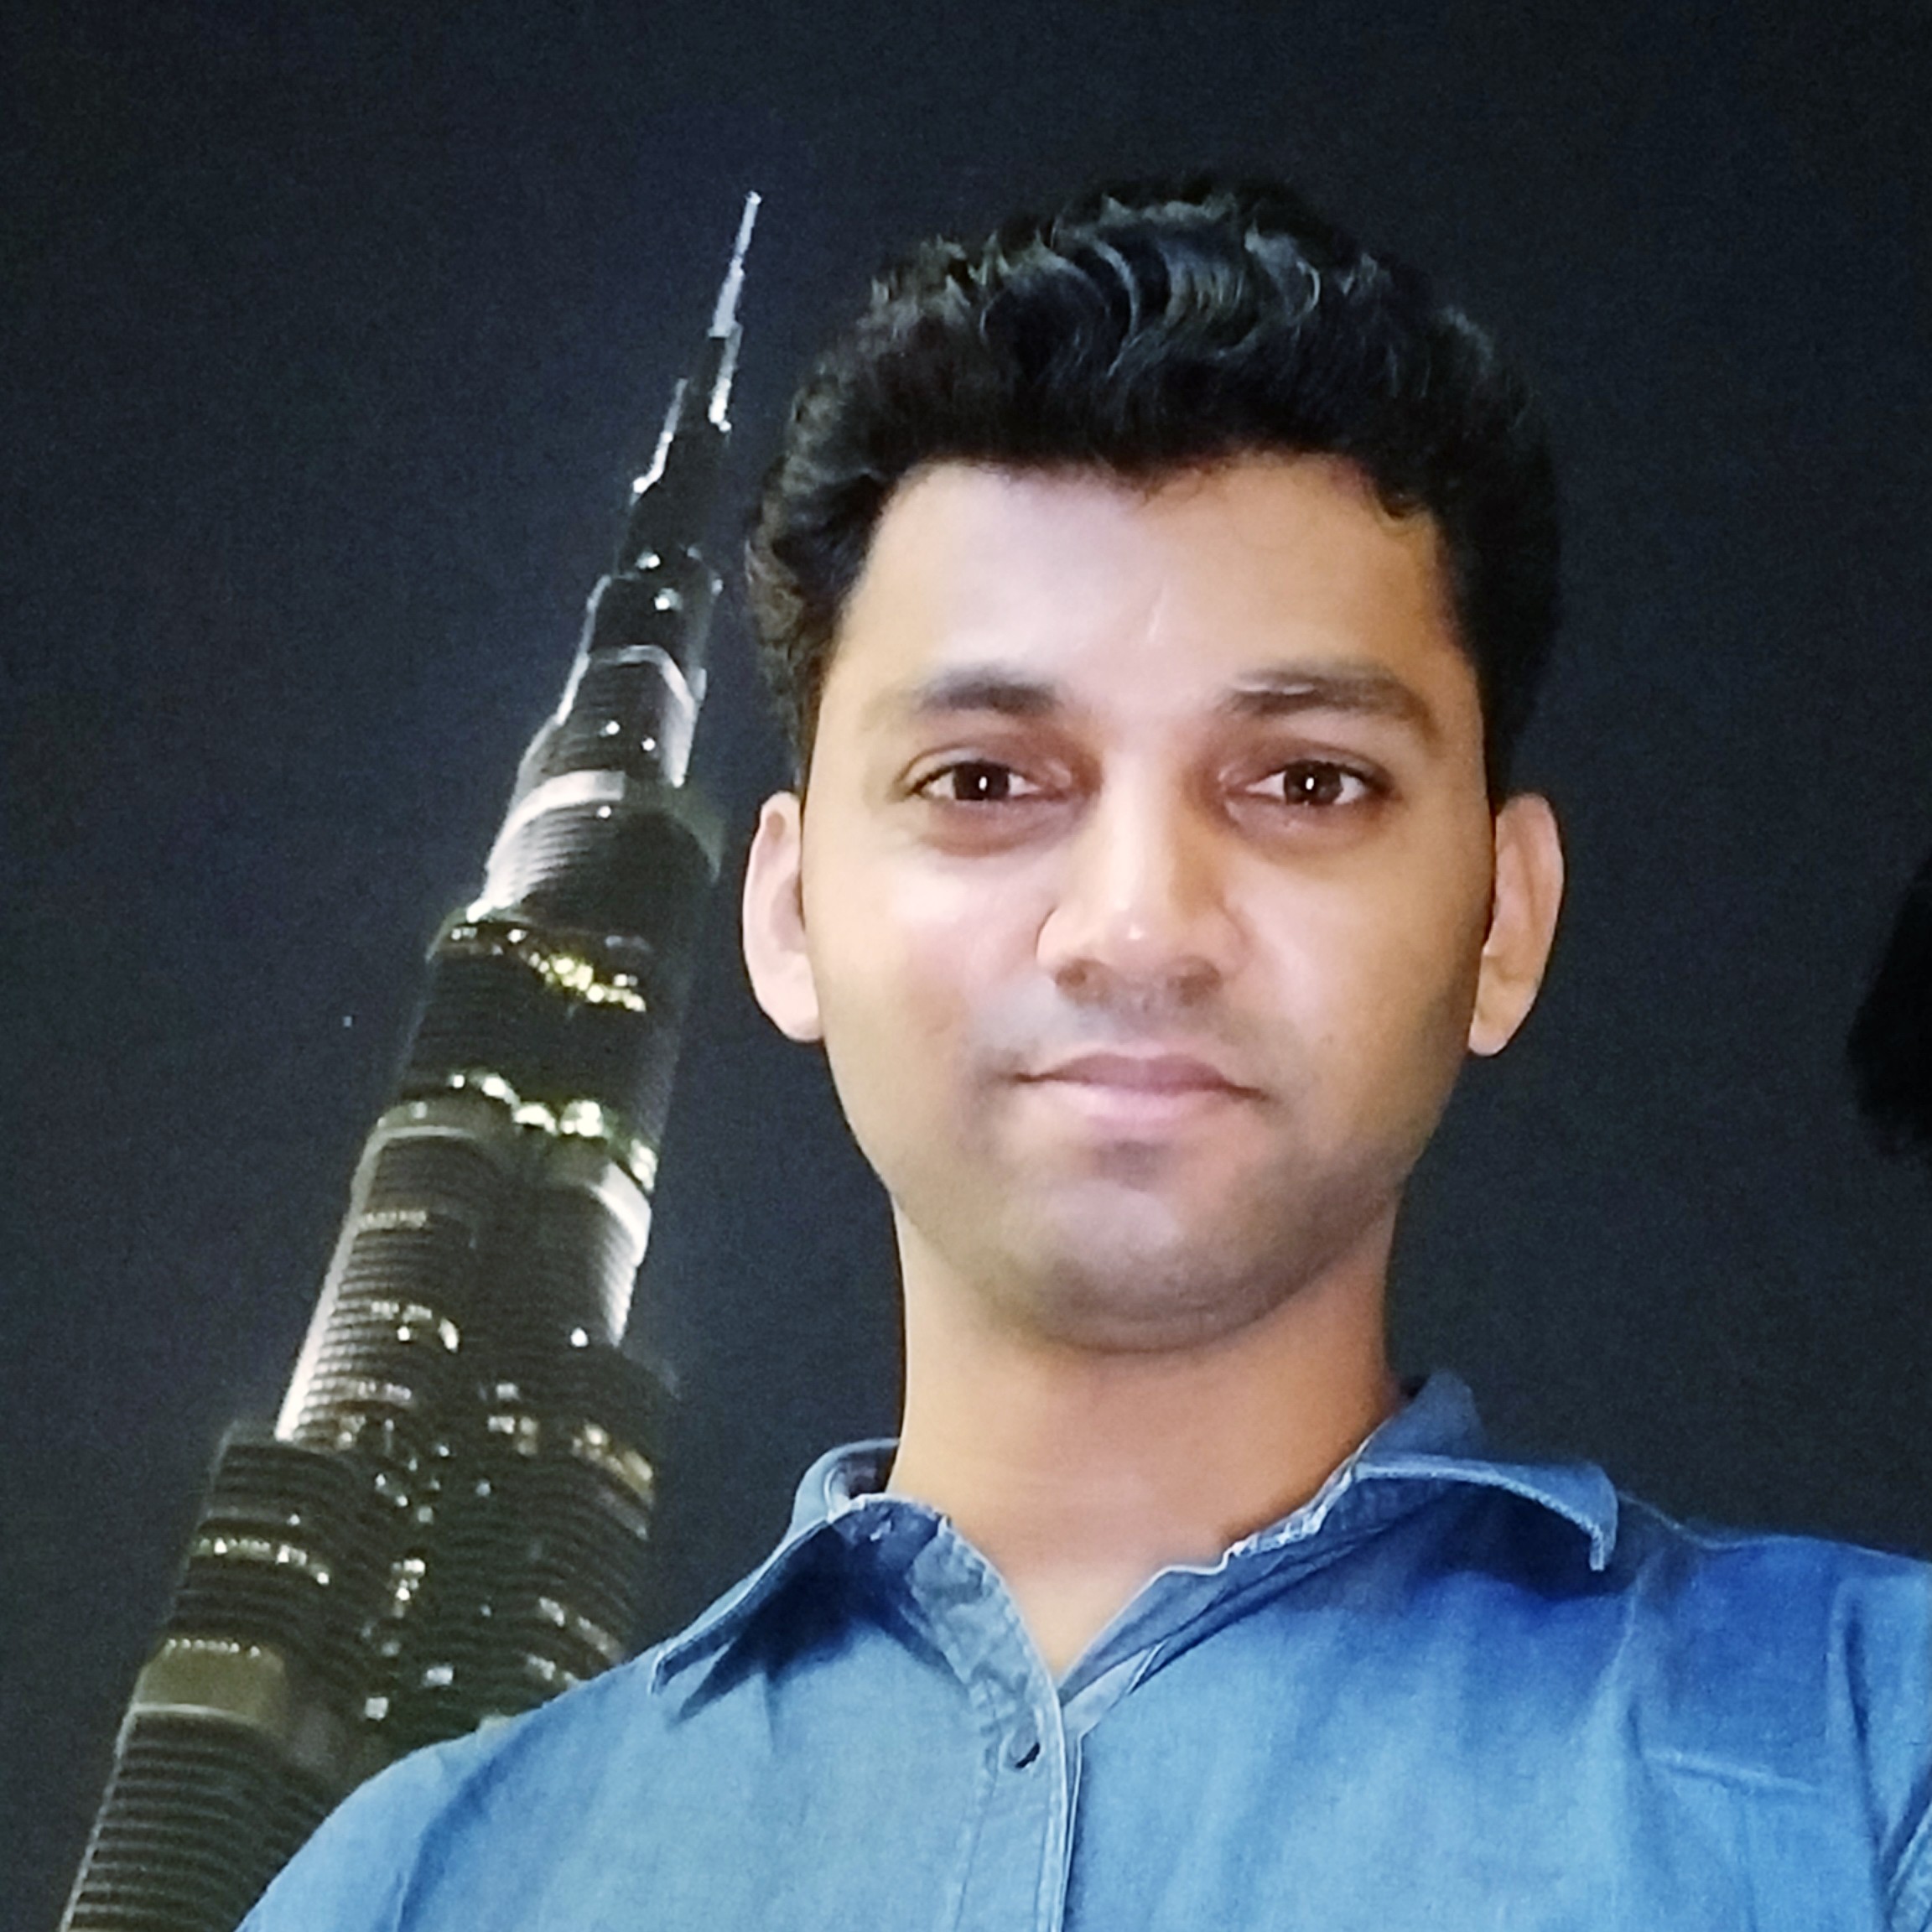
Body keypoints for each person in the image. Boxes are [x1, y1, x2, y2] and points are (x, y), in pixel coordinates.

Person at [243, 177, 1932, 1930]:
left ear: (1503, 919)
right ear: (791, 913)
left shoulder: (1874, 1753)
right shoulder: (412, 1881)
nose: (1135, 925)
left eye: (1308, 782)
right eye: (983, 781)